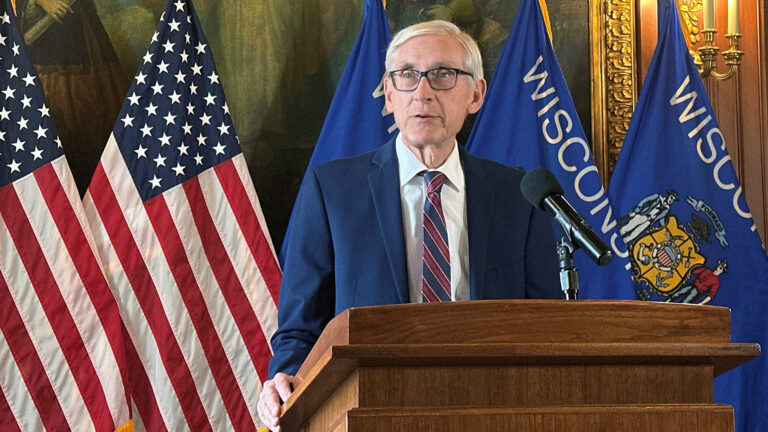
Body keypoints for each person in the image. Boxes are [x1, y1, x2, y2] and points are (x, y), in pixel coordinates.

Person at [257, 20, 560, 430]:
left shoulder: (518, 195)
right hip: (369, 409)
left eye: (443, 74)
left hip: (490, 410)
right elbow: (300, 328)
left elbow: (545, 325)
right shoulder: (332, 190)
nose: (422, 92)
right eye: (406, 76)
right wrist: (284, 378)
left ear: (476, 94)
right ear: (388, 94)